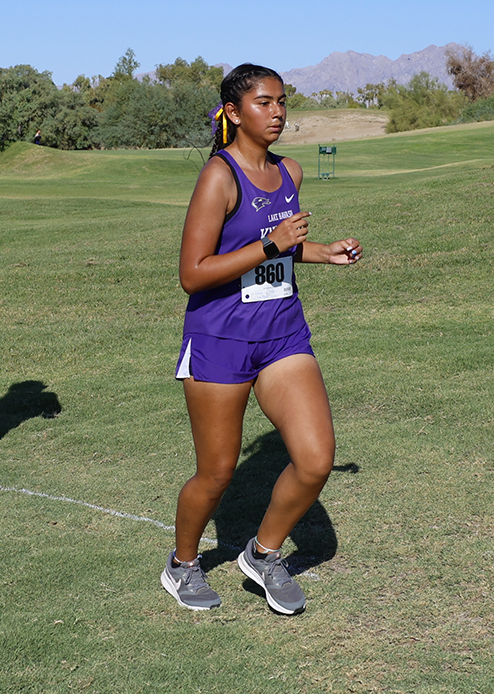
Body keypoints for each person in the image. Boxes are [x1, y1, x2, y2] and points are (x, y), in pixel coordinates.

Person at [161, 65, 362, 614]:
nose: (277, 113)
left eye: (281, 103)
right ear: (233, 112)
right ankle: (182, 566)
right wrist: (270, 247)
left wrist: (323, 251)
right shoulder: (219, 178)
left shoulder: (290, 172)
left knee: (316, 458)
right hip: (220, 338)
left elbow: (287, 250)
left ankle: (263, 553)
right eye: (263, 103)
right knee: (217, 472)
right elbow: (193, 272)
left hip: (282, 334)